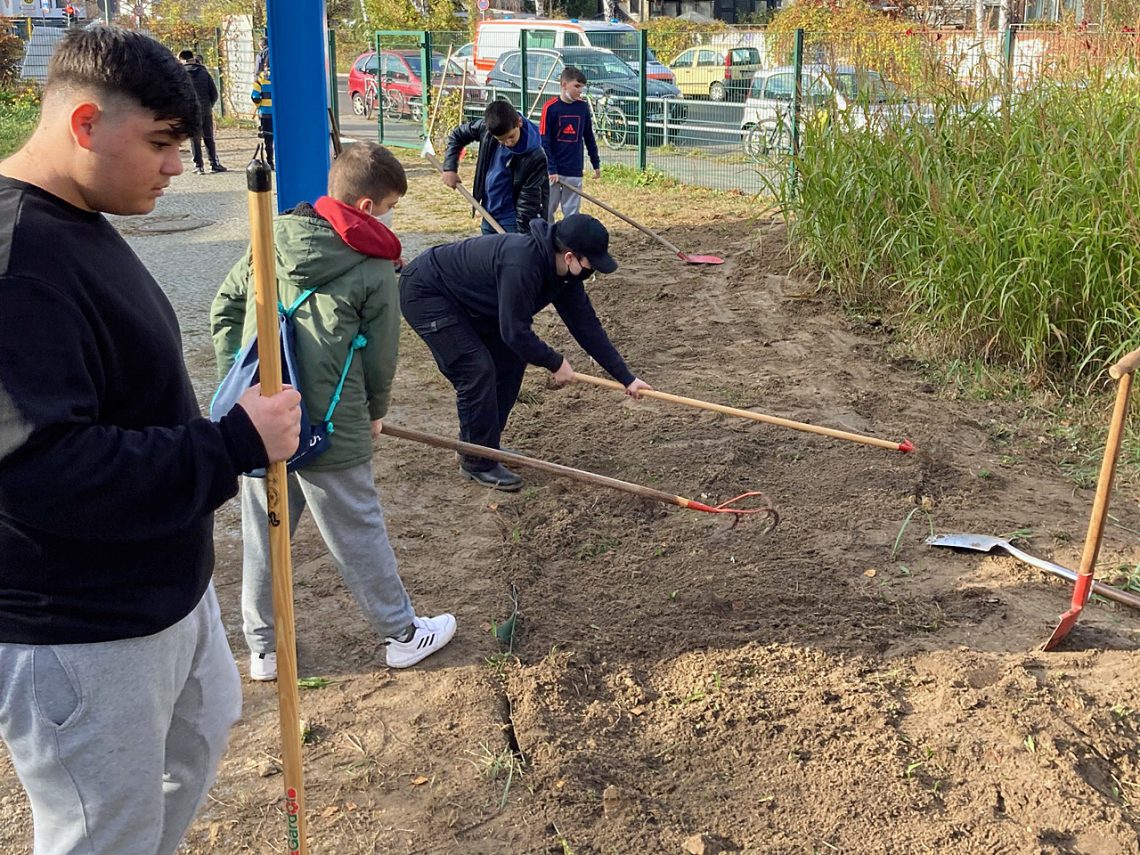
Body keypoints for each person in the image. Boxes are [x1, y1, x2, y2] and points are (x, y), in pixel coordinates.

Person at [0, 26, 302, 855]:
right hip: (82, 625)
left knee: (199, 734)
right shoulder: (16, 263)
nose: (179, 164)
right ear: (87, 122)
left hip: (161, 588)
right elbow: (44, 471)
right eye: (162, 142)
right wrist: (233, 443)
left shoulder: (78, 217)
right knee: (103, 831)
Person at [211, 141, 456, 680]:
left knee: (264, 530)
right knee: (357, 528)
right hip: (332, 421)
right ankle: (401, 634)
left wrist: (243, 372)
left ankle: (264, 650)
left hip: (262, 415)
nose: (392, 217)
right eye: (390, 206)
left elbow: (225, 308)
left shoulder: (269, 237)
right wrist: (375, 409)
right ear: (367, 207)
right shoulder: (374, 267)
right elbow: (381, 353)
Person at [399, 213, 651, 490]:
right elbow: (514, 331)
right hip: (427, 292)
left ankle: (487, 446)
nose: (592, 272)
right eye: (590, 263)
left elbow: (587, 327)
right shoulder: (522, 264)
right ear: (569, 257)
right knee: (476, 369)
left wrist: (626, 377)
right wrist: (555, 362)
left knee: (510, 359)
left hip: (468, 301)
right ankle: (477, 460)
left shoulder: (564, 278)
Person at [441, 99, 547, 234]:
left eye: (511, 137)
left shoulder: (535, 155)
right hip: (488, 213)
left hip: (512, 219)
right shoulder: (486, 129)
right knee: (489, 254)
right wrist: (449, 168)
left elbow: (529, 201)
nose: (507, 143)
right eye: (500, 140)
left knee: (511, 254)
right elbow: (457, 135)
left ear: (519, 122)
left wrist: (523, 236)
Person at [540, 65, 600, 220]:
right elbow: (544, 141)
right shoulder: (550, 108)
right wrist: (551, 168)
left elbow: (588, 137)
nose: (580, 91)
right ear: (564, 84)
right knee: (547, 210)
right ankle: (547, 241)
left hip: (574, 169)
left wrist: (596, 163)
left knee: (572, 213)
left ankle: (568, 241)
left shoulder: (582, 107)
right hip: (554, 171)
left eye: (582, 88)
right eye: (577, 86)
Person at [178, 48, 226, 174]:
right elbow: (214, 93)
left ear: (182, 59)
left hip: (191, 111)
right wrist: (209, 105)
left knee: (194, 138)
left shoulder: (181, 74)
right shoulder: (204, 72)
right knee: (209, 137)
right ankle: (214, 163)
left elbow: (179, 94)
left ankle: (199, 166)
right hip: (206, 110)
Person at [251, 63, 273, 170]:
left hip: (265, 114)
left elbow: (255, 96)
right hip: (278, 114)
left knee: (268, 140)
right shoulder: (279, 76)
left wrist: (260, 106)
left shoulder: (260, 79)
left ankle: (270, 161)